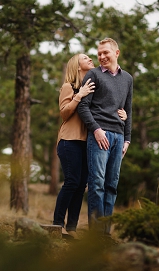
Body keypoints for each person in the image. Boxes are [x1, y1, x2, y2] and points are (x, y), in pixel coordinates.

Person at [52, 53, 127, 238]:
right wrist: (79, 96)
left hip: (88, 143)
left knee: (81, 186)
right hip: (69, 141)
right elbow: (64, 113)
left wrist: (122, 114)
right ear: (77, 66)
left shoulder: (92, 87)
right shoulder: (68, 87)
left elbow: (103, 110)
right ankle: (57, 224)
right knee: (71, 182)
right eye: (85, 58)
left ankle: (71, 228)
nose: (91, 59)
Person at [76, 38, 133, 236]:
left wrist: (127, 139)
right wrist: (96, 130)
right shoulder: (93, 74)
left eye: (105, 53)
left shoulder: (128, 79)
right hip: (99, 135)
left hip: (118, 137)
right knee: (97, 184)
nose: (101, 57)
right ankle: (95, 235)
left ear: (116, 53)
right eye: (99, 53)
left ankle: (105, 233)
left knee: (111, 185)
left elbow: (128, 110)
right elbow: (83, 106)